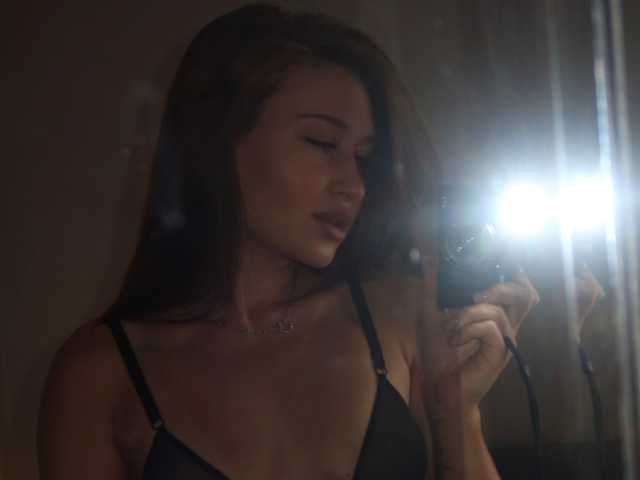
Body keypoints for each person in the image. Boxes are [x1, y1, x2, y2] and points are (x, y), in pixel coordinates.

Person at [37, 4, 559, 479]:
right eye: (321, 142)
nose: (353, 185)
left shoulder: (398, 317)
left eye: (362, 157)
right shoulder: (100, 373)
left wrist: (458, 415)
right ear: (218, 140)